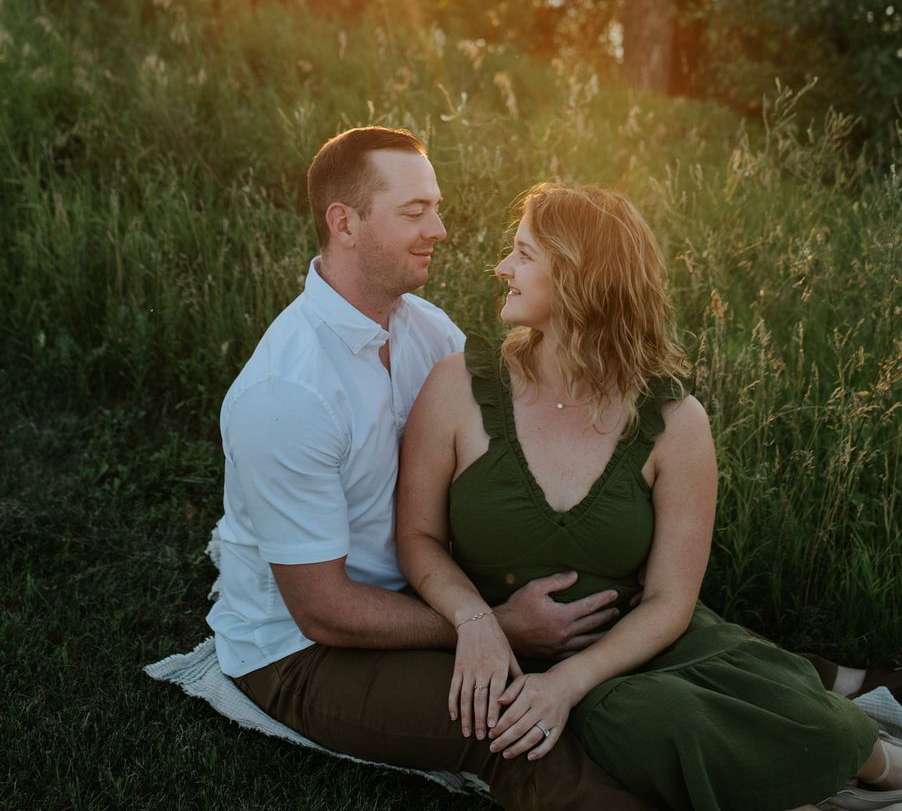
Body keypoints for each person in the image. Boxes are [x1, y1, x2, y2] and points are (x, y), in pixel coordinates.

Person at [396, 182, 902, 811]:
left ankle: (877, 760)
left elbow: (670, 602)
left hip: (641, 641)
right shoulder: (459, 385)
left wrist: (566, 683)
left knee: (789, 703)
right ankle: (819, 795)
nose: (502, 269)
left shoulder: (676, 422)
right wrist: (478, 619)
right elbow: (418, 538)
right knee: (654, 723)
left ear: (578, 278)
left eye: (523, 254)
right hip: (549, 663)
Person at [207, 127, 656, 810]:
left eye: (436, 207)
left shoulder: (429, 332)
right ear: (345, 222)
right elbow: (323, 609)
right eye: (414, 211)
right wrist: (492, 623)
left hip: (431, 595)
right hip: (304, 651)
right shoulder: (286, 393)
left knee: (615, 671)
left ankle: (813, 704)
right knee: (506, 725)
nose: (440, 229)